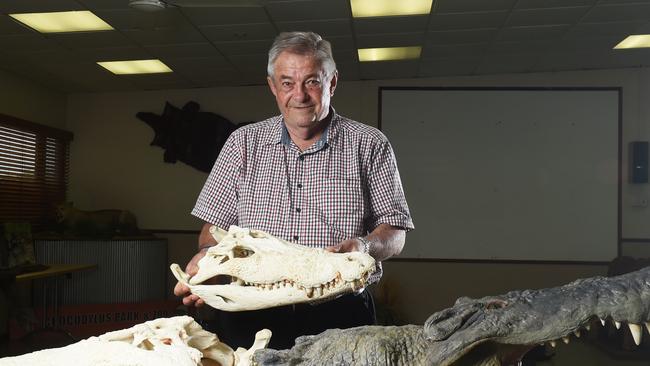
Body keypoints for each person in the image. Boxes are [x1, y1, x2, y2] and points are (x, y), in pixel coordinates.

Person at [174, 31, 414, 350]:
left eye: (312, 81)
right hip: (252, 311)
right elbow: (212, 229)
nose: (299, 95)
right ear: (274, 87)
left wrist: (366, 247)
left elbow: (395, 231)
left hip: (340, 313)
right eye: (287, 83)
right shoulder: (241, 144)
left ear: (332, 83)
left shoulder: (369, 144)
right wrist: (207, 259)